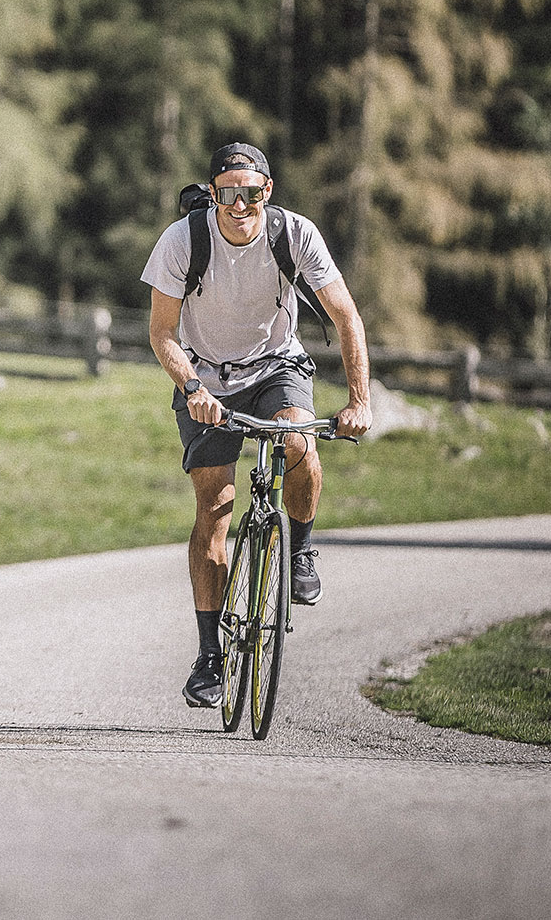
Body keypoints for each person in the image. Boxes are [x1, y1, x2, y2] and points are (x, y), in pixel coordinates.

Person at [140, 142, 372, 709]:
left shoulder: (295, 236)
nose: (238, 205)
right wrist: (192, 387)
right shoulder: (183, 241)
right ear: (214, 193)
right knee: (214, 509)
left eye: (250, 193)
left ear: (267, 192)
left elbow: (345, 314)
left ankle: (300, 549)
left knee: (299, 442)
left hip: (277, 365)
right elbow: (161, 332)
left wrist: (359, 399)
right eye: (227, 194)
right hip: (205, 379)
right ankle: (209, 658)